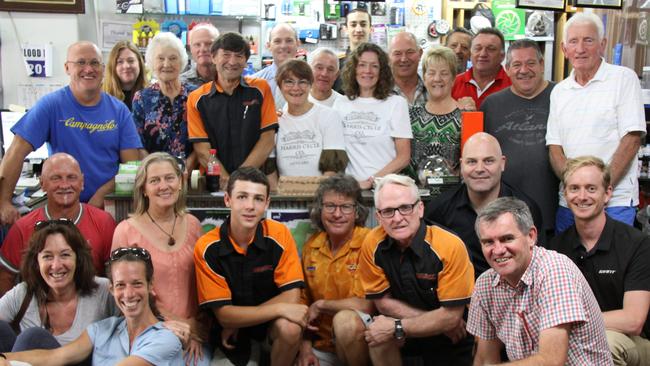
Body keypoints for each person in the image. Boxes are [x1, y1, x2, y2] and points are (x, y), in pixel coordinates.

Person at [0, 41, 142, 224]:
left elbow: (132, 168)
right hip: (63, 209)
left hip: (108, 208)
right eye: (81, 62)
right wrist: (3, 201)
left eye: (94, 63)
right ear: (67, 68)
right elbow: (15, 152)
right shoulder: (51, 105)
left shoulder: (119, 110)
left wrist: (100, 196)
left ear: (103, 69)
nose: (88, 69)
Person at [468, 197, 612, 365]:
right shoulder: (485, 285)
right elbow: (485, 358)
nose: (498, 250)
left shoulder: (554, 269)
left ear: (531, 236)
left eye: (507, 239)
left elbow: (552, 361)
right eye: (488, 242)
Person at [194, 167, 306, 365]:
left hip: (270, 329)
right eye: (242, 197)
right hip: (229, 336)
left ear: (267, 203)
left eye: (258, 199)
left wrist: (241, 318)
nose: (250, 206)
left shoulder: (279, 234)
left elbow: (292, 296)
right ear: (228, 200)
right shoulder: (207, 247)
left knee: (291, 327)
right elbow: (225, 316)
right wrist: (278, 308)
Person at [358, 174, 475, 365]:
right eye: (388, 211)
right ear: (378, 217)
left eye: (405, 208)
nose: (397, 218)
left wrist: (397, 325)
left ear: (420, 209)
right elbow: (383, 304)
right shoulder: (372, 243)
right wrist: (401, 327)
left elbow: (452, 317)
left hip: (454, 338)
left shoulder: (450, 246)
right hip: (405, 337)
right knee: (378, 335)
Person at [546, 12, 645, 233]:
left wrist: (600, 189)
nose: (580, 48)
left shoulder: (623, 79)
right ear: (564, 49)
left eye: (588, 40)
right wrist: (577, 190)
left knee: (613, 264)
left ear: (602, 45)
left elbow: (631, 140)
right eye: (573, 41)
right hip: (569, 204)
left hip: (614, 201)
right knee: (569, 264)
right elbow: (555, 148)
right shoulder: (559, 91)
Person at [0, 247, 185, 365]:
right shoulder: (103, 329)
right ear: (111, 288)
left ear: (150, 285)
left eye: (136, 284)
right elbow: (55, 357)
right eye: (121, 285)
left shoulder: (165, 339)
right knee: (26, 337)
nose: (129, 294)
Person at [546, 156, 650, 366]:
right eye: (574, 188)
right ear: (565, 194)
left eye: (591, 189)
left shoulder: (637, 243)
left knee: (605, 344)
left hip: (633, 342)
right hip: (577, 338)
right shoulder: (556, 248)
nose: (582, 196)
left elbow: (634, 320)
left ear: (607, 193)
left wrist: (571, 323)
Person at [111, 152, 208, 365]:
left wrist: (195, 329)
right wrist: (173, 324)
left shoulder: (193, 225)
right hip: (149, 330)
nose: (164, 186)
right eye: (154, 180)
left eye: (169, 178)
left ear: (180, 182)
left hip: (195, 333)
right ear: (143, 189)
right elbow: (124, 293)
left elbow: (204, 284)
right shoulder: (126, 231)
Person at [425, 132, 543, 277]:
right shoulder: (438, 210)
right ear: (461, 165)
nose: (479, 169)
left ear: (502, 163)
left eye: (488, 161)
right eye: (471, 162)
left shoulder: (525, 209)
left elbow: (537, 264)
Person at [0, 153, 116, 295]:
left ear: (82, 182)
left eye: (71, 177)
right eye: (56, 178)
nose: (65, 185)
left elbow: (115, 275)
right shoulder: (22, 228)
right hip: (39, 311)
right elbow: (5, 278)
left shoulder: (104, 222)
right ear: (42, 183)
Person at [0, 221, 117, 353]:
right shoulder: (23, 293)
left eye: (65, 255)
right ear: (36, 262)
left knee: (33, 338)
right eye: (47, 256)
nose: (56, 265)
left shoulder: (103, 290)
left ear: (78, 259)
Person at [482, 39, 558, 239]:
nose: (524, 70)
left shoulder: (561, 95)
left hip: (556, 211)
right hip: (506, 214)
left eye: (531, 63)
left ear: (542, 65)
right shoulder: (491, 104)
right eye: (516, 64)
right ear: (507, 69)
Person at [298, 174, 373, 366]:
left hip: (362, 341)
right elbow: (303, 303)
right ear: (320, 210)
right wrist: (305, 349)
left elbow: (369, 305)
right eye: (330, 206)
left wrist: (322, 305)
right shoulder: (311, 247)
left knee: (345, 321)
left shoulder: (370, 243)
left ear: (357, 212)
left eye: (346, 207)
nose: (337, 214)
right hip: (320, 346)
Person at [188, 32, 277, 188]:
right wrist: (225, 179)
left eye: (239, 56)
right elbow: (202, 150)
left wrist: (239, 179)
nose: (232, 61)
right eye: (226, 54)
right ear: (214, 57)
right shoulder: (196, 98)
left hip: (254, 183)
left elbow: (267, 140)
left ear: (246, 60)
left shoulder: (261, 89)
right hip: (213, 184)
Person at [333, 42, 412, 190]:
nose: (367, 71)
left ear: (382, 71)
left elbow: (403, 158)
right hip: (350, 190)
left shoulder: (396, 103)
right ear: (354, 69)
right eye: (362, 65)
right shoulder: (340, 103)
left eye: (374, 66)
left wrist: (371, 181)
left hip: (385, 190)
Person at [132, 32, 198, 170]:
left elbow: (204, 139)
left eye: (173, 58)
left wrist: (186, 169)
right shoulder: (142, 98)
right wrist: (158, 171)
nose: (167, 64)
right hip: (154, 175)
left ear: (182, 62)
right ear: (151, 62)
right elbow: (138, 143)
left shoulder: (196, 95)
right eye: (160, 58)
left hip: (192, 175)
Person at [273, 59, 347, 177]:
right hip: (285, 194)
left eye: (302, 82)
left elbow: (332, 169)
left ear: (310, 84)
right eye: (289, 82)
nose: (296, 88)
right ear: (280, 86)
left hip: (322, 193)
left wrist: (319, 194)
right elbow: (270, 170)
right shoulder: (275, 122)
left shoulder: (329, 116)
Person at [406, 45, 462, 180]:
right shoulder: (411, 115)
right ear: (424, 78)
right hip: (415, 194)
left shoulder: (466, 116)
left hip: (453, 196)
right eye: (431, 73)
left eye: (444, 73)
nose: (437, 78)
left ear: (453, 78)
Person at [452, 27, 511, 109]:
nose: (483, 54)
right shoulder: (453, 84)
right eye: (478, 48)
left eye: (491, 49)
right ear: (470, 53)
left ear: (502, 56)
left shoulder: (514, 86)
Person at [253, 23, 299, 109]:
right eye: (277, 41)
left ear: (298, 43)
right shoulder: (254, 83)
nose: (283, 46)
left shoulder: (311, 82)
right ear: (269, 46)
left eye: (289, 40)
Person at [103, 40, 148, 111]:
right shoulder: (101, 97)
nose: (126, 66)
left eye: (131, 61)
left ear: (139, 64)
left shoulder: (151, 96)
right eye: (120, 62)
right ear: (113, 66)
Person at [388, 32, 426, 107]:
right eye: (397, 53)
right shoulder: (379, 93)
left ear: (420, 54)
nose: (404, 59)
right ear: (388, 57)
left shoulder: (434, 89)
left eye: (410, 52)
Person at [181, 23, 220, 88]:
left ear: (219, 47)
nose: (203, 49)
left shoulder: (230, 80)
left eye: (209, 44)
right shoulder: (180, 84)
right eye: (197, 44)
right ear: (190, 49)